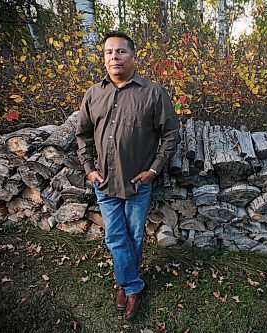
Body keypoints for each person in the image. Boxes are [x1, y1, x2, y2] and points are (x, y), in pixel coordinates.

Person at [76, 31, 180, 320]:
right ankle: (132, 286)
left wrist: (154, 169)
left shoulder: (154, 93)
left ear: (134, 57)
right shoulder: (93, 94)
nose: (114, 57)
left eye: (121, 52)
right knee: (116, 237)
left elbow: (171, 135)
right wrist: (89, 168)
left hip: (138, 183)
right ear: (104, 59)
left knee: (134, 236)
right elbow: (82, 134)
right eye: (109, 52)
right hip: (104, 181)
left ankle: (124, 283)